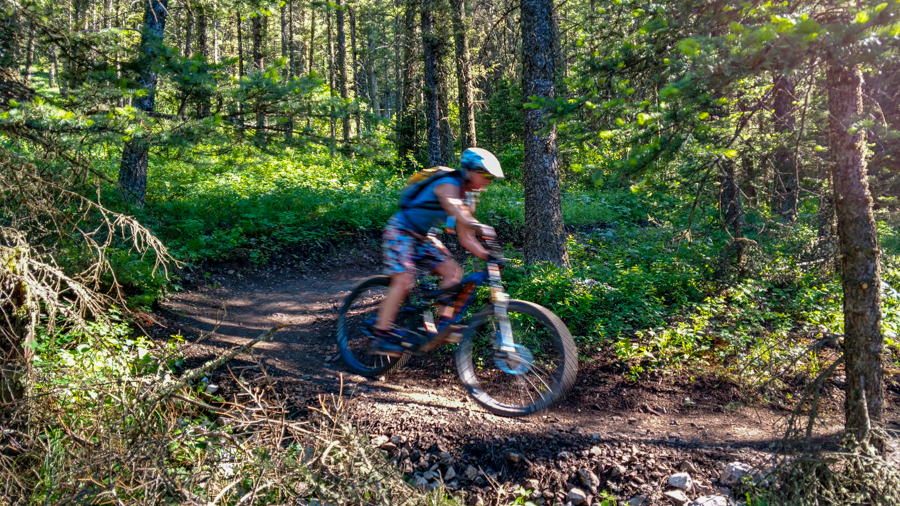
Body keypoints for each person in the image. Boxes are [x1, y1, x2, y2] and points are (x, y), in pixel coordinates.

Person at [370, 148, 505, 356]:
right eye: (485, 175)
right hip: (400, 230)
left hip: (424, 237)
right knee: (404, 278)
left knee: (453, 272)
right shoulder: (448, 183)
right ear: (469, 171)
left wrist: (488, 256)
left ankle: (443, 325)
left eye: (491, 178)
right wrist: (477, 224)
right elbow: (453, 206)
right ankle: (380, 335)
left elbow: (466, 238)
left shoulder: (469, 198)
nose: (488, 181)